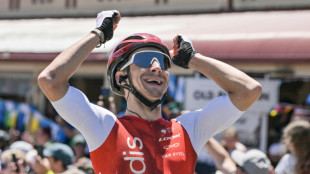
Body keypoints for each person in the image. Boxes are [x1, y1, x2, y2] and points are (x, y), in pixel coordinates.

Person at [37, 10, 262, 173]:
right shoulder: (104, 126)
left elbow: (249, 90)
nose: (156, 67)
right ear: (121, 76)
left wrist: (194, 59)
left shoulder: (188, 129)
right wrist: (99, 34)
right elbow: (51, 80)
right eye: (145, 59)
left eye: (163, 62)